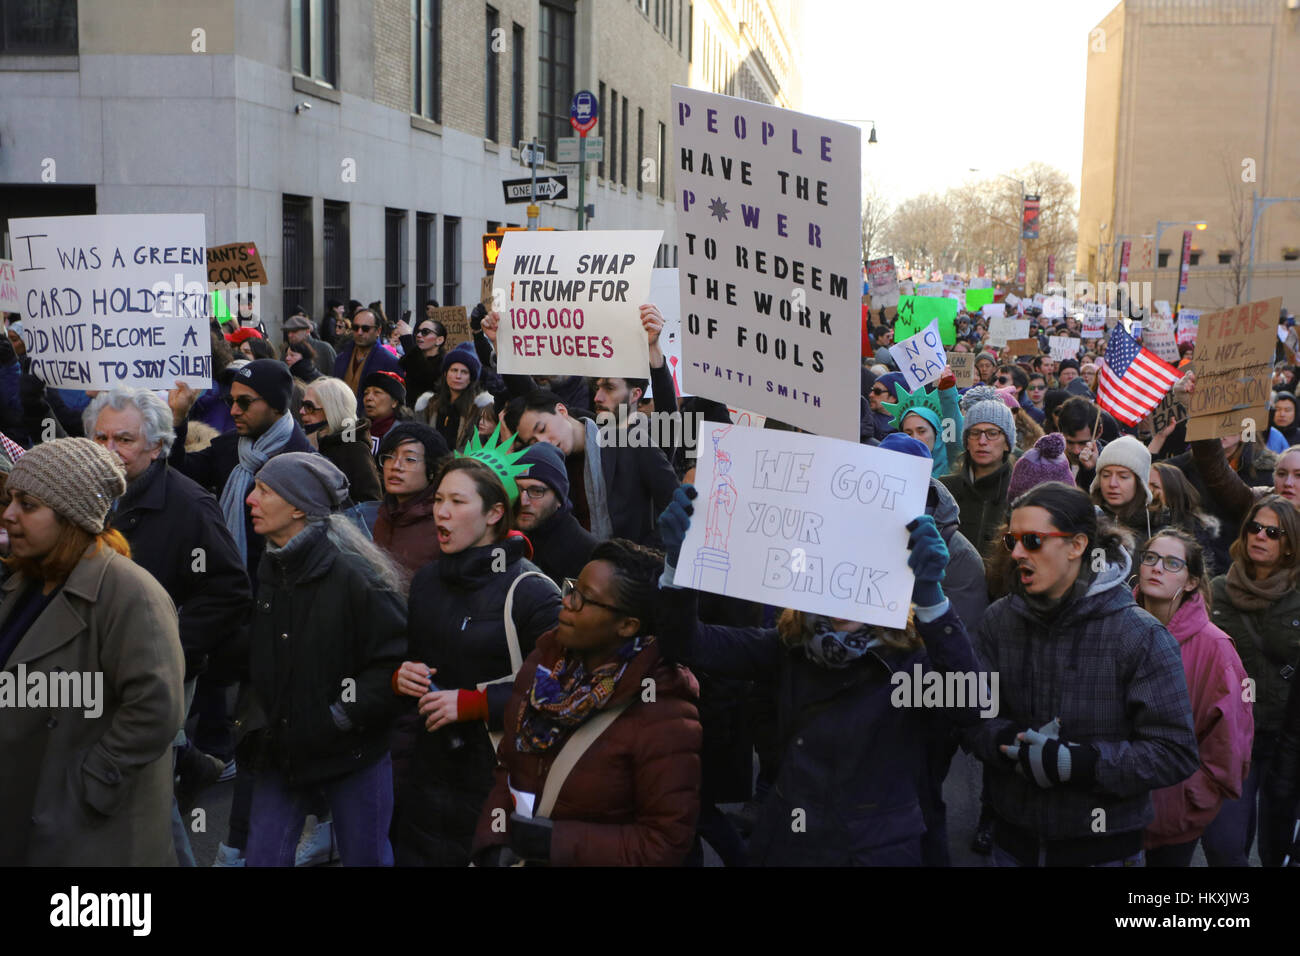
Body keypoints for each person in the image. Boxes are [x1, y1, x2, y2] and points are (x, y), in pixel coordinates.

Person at [652, 486, 985, 865]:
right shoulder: (790, 645)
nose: (844, 586)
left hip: (875, 852)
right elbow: (687, 644)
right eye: (831, 569)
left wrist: (932, 601)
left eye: (861, 571)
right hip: (789, 842)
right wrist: (677, 566)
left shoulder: (913, 659)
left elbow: (971, 706)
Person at [963, 482, 1199, 867]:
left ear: (1076, 546)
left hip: (1103, 851)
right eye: (1012, 541)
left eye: (1033, 540)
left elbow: (1174, 753)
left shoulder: (1141, 636)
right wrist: (1007, 742)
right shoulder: (998, 620)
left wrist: (1083, 763)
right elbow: (972, 717)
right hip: (1012, 843)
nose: (1018, 552)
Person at [0, 439, 185, 865]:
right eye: (10, 500)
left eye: (27, 504)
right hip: (29, 802)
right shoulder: (29, 580)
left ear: (71, 518)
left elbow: (157, 709)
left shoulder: (130, 592)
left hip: (87, 828)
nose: (9, 515)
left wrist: (90, 785)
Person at [84, 388, 253, 851]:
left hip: (158, 671)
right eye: (99, 438)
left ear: (157, 446)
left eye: (124, 440)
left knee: (148, 789)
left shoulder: (188, 505)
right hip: (95, 663)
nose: (109, 451)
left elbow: (229, 591)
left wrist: (165, 643)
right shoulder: (85, 496)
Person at [471, 539, 702, 866]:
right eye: (571, 589)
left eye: (583, 599)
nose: (566, 603)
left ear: (627, 625)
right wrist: (493, 842)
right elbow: (508, 765)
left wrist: (555, 842)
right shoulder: (545, 667)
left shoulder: (664, 714)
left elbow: (665, 843)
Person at [393, 456, 561, 865]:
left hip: (498, 778)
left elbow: (561, 690)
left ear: (495, 513)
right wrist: (401, 676)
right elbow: (410, 659)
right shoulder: (427, 581)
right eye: (437, 500)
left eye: (457, 501)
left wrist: (472, 704)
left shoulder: (533, 593)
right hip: (426, 775)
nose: (441, 512)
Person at [242, 453, 407, 866]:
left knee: (366, 858)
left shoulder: (357, 575)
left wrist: (339, 715)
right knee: (262, 858)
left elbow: (396, 663)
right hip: (282, 748)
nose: (250, 499)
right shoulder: (271, 563)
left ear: (299, 507)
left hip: (353, 753)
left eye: (265, 490)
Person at [1135, 529, 1253, 866]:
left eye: (1172, 563)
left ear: (1190, 582)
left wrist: (1190, 798)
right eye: (1151, 558)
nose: (1157, 568)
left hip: (1173, 818)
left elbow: (1229, 743)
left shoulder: (1215, 648)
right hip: (1111, 807)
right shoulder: (1113, 626)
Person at [1206, 496, 1300, 866]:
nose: (1260, 536)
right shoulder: (1216, 590)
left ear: (1290, 543)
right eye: (1253, 527)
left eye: (1272, 532)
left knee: (1277, 849)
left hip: (1287, 742)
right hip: (1231, 740)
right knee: (1225, 846)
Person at [167, 359, 315, 574]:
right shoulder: (228, 447)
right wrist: (178, 419)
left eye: (244, 402)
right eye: (231, 401)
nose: (234, 410)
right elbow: (179, 472)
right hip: (227, 584)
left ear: (276, 404)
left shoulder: (305, 462)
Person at [507, 389, 679, 546]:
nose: (543, 442)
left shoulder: (630, 442)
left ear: (561, 411)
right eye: (533, 442)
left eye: (543, 429)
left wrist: (643, 556)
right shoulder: (548, 471)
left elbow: (675, 502)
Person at [939, 396, 1017, 556]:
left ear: (1007, 443)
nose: (982, 441)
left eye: (992, 433)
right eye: (974, 433)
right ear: (967, 441)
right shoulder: (944, 490)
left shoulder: (1019, 494)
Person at [513, 441, 598, 586]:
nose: (523, 500)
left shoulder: (588, 554)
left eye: (536, 491)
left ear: (559, 498)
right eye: (518, 489)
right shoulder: (506, 540)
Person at [372, 422, 450, 576]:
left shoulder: (443, 521)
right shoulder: (384, 514)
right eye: (389, 457)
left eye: (409, 459)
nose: (396, 466)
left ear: (432, 469)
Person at [298, 376, 381, 504]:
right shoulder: (308, 439)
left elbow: (369, 503)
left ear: (332, 410)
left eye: (309, 407)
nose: (302, 411)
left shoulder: (354, 448)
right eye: (302, 405)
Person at [1090, 435, 1156, 552]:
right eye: (1106, 475)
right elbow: (1096, 567)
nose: (1112, 483)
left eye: (1123, 476)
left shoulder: (1157, 528)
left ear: (1139, 483)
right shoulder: (1087, 522)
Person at [333, 308, 403, 411]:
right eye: (356, 328)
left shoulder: (390, 362)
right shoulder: (341, 359)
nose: (359, 332)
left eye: (365, 328)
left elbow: (397, 402)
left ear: (378, 331)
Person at [429, 344, 489, 450]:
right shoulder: (431, 404)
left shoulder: (479, 409)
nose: (458, 376)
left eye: (464, 372)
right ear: (445, 373)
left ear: (471, 378)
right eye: (454, 370)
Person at [396, 316, 447, 400]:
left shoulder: (445, 365)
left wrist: (407, 339)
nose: (419, 335)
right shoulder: (411, 359)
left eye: (425, 332)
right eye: (417, 332)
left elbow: (423, 375)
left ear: (439, 340)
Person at [360, 370, 411, 454]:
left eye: (377, 392)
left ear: (394, 402)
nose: (368, 398)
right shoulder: (357, 429)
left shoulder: (404, 435)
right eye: (366, 393)